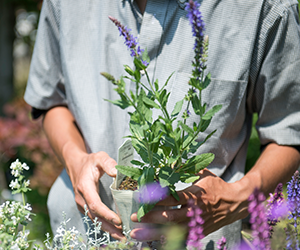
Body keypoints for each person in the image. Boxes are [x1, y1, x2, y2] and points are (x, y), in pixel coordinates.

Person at [24, 0, 300, 248]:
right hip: (85, 235)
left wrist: (236, 198)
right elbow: (50, 101)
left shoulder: (262, 8)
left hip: (198, 240)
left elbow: (289, 132)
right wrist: (75, 161)